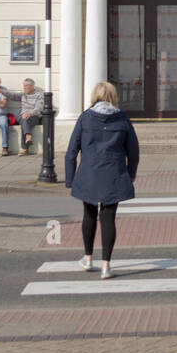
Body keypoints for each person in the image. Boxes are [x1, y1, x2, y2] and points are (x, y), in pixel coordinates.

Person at [64, 81, 139, 279]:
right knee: (108, 218)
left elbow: (72, 150)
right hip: (114, 172)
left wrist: (70, 179)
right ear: (113, 96)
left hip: (89, 173)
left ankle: (88, 258)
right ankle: (106, 265)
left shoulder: (85, 118)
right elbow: (134, 151)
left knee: (89, 215)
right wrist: (131, 172)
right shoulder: (122, 119)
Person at [18, 78, 44, 155]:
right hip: (23, 116)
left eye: (26, 86)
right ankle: (28, 137)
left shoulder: (38, 95)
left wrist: (30, 113)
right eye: (23, 86)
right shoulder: (23, 94)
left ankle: (24, 148)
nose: (24, 87)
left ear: (32, 86)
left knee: (24, 120)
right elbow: (11, 95)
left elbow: (39, 108)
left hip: (34, 117)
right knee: (24, 119)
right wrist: (1, 91)